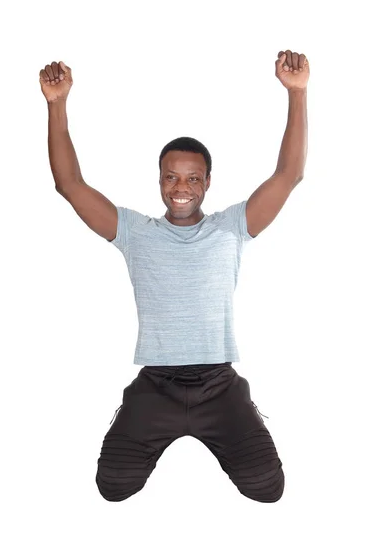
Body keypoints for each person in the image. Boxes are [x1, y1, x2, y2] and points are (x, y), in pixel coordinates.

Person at [40, 50, 309, 503]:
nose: (181, 188)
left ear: (207, 182)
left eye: (192, 178)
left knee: (269, 490)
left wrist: (297, 94)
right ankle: (133, 410)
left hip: (219, 386)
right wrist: (56, 104)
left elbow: (289, 175)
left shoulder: (231, 227)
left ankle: (239, 415)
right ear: (160, 181)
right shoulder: (135, 233)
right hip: (156, 387)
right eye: (171, 178)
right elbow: (70, 185)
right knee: (113, 487)